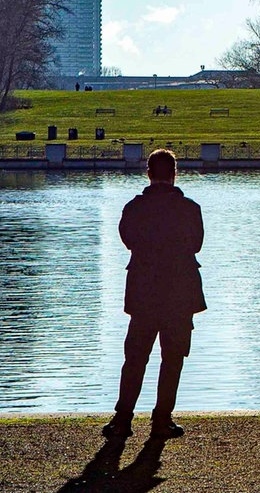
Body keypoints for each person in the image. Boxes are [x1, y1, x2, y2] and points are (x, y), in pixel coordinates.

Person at [103, 149, 206, 441]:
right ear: (174, 173)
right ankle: (162, 419)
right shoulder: (190, 209)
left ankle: (122, 419)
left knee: (135, 358)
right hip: (179, 293)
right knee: (172, 359)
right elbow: (196, 246)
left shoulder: (134, 208)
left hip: (144, 293)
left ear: (148, 173)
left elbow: (128, 241)